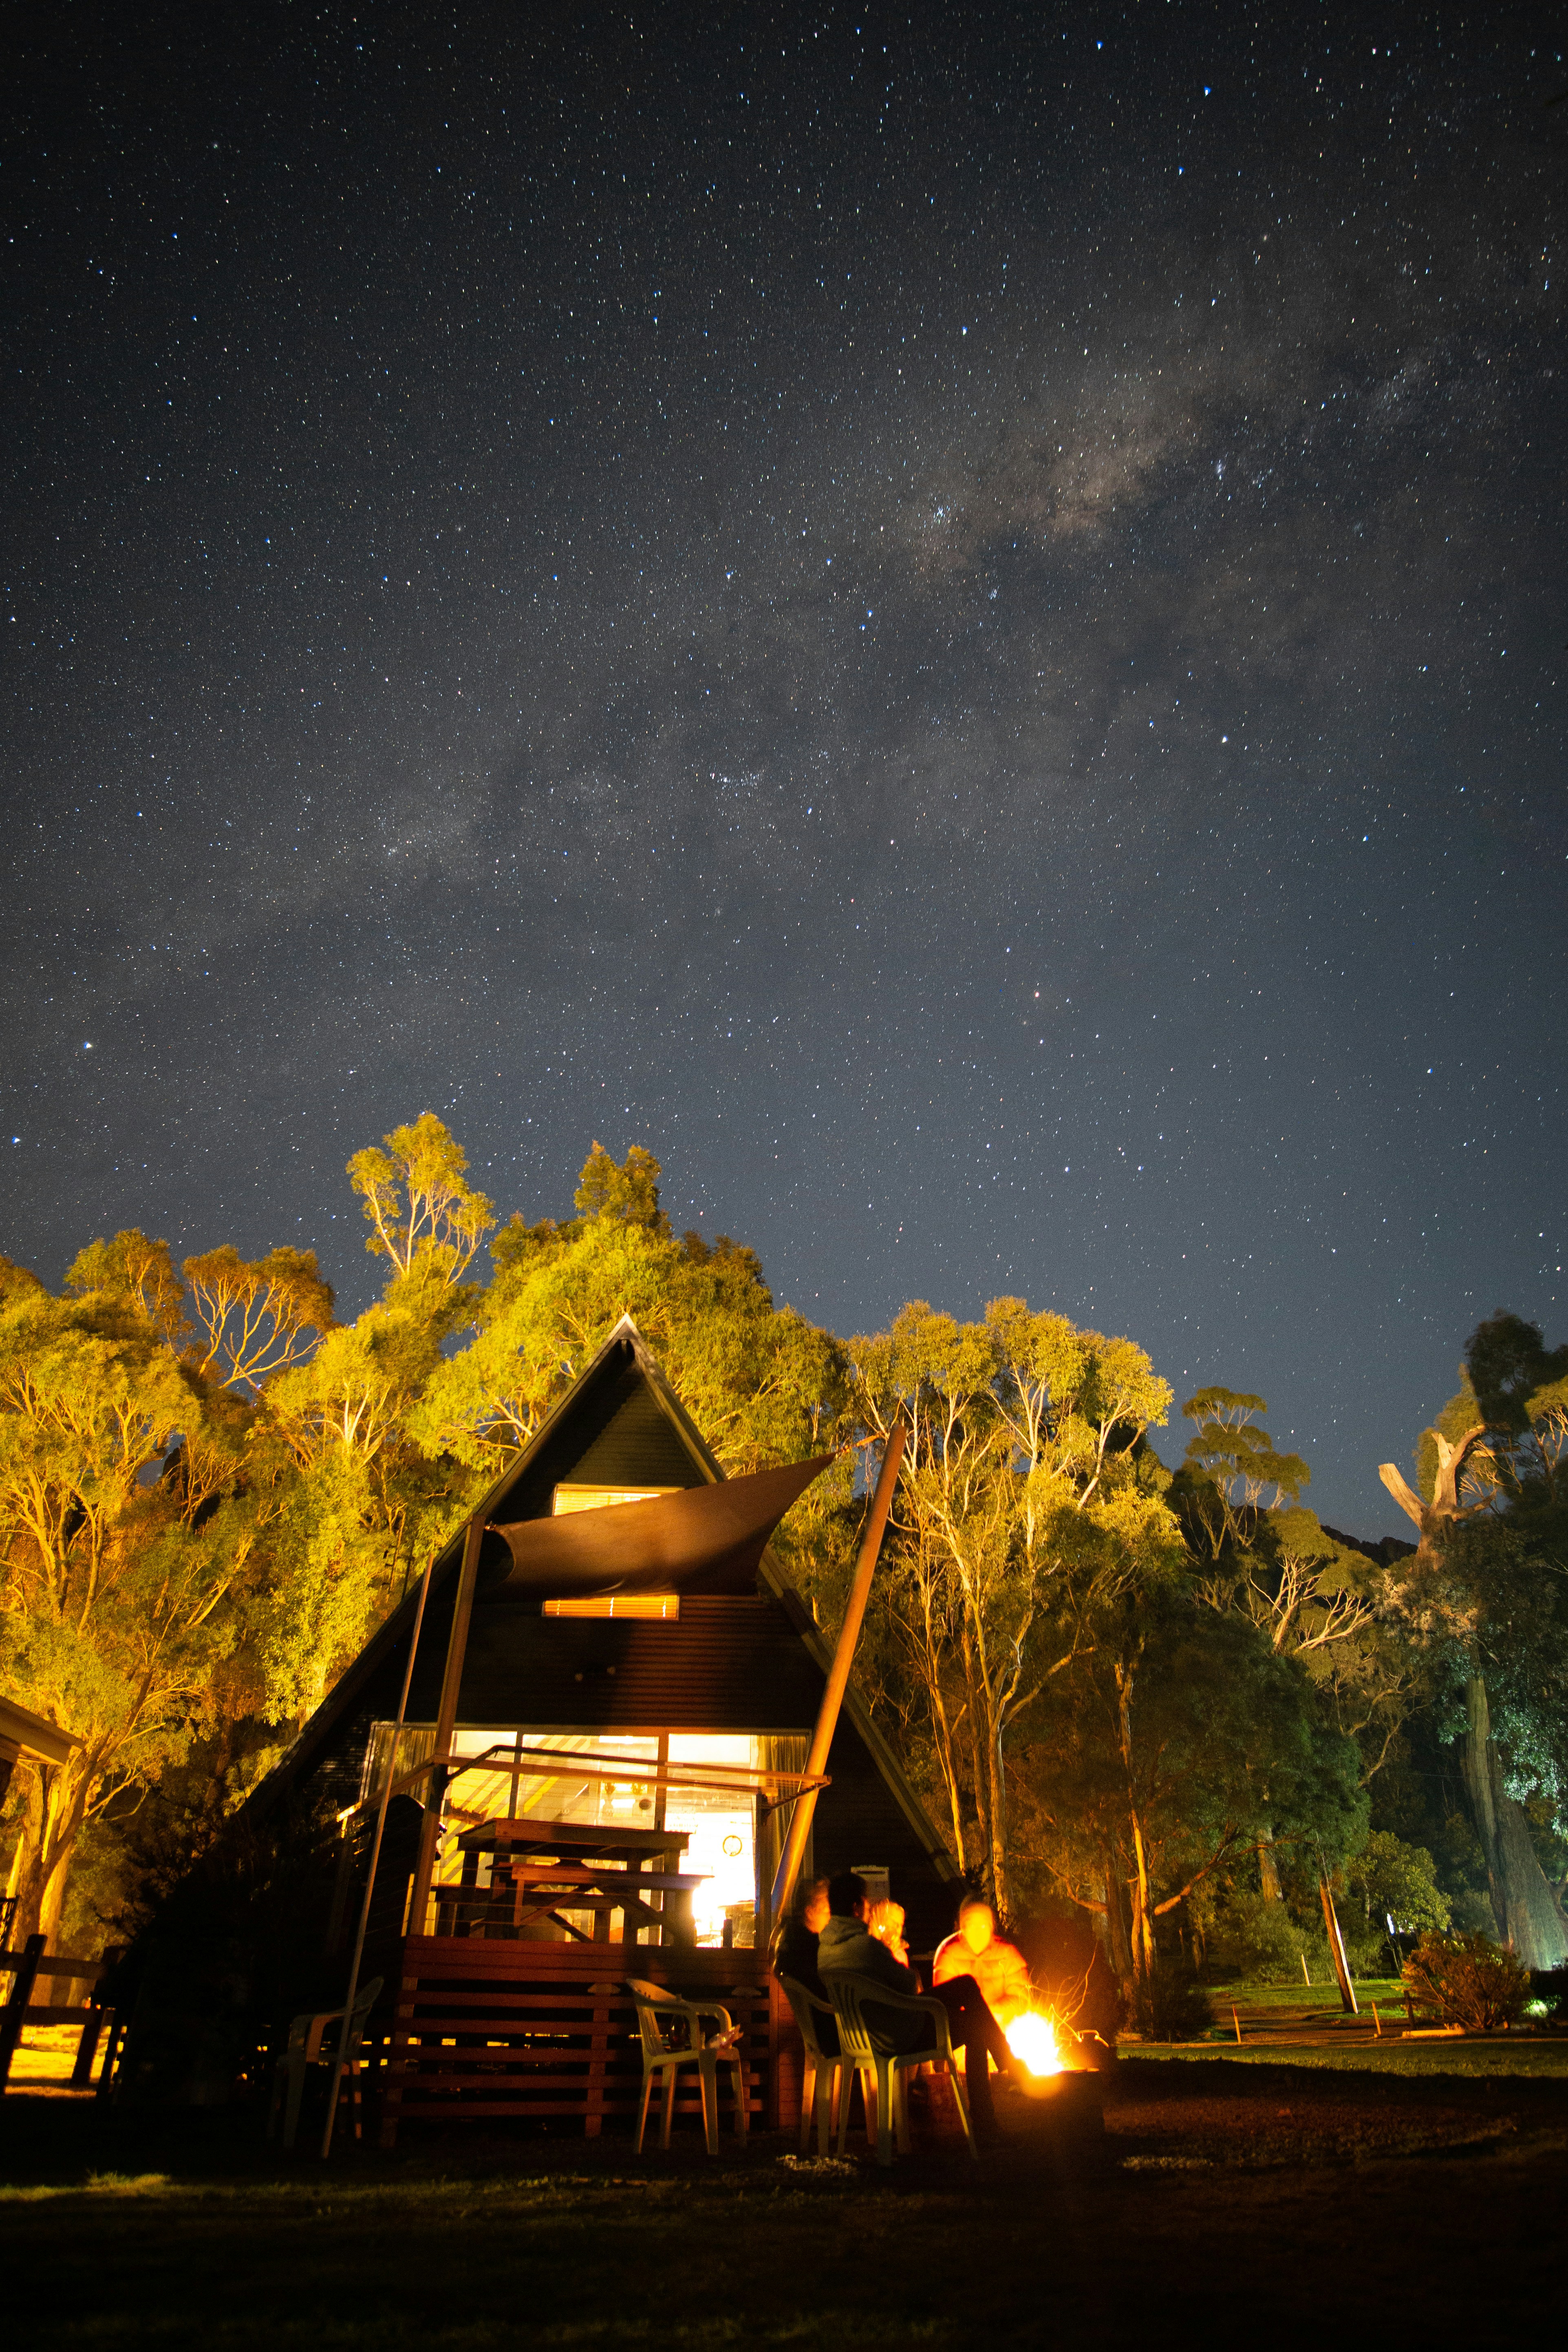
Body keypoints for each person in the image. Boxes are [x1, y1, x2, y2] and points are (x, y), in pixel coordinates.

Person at [816, 1872, 1016, 2141]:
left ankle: (1006, 2066)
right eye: (865, 1902)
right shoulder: (866, 1947)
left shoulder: (826, 1949)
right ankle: (989, 2111)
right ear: (856, 1907)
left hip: (863, 2034)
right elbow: (909, 1985)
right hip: (897, 2035)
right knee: (973, 2019)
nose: (867, 1908)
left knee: (966, 1988)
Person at [933, 1896, 1033, 2029]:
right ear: (963, 1927)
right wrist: (975, 2019)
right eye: (972, 1925)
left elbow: (1021, 1998)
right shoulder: (949, 1954)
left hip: (1004, 2031)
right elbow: (944, 2005)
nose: (978, 1931)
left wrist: (993, 2013)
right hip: (964, 2033)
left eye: (983, 1925)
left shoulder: (1007, 1953)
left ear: (991, 1927)